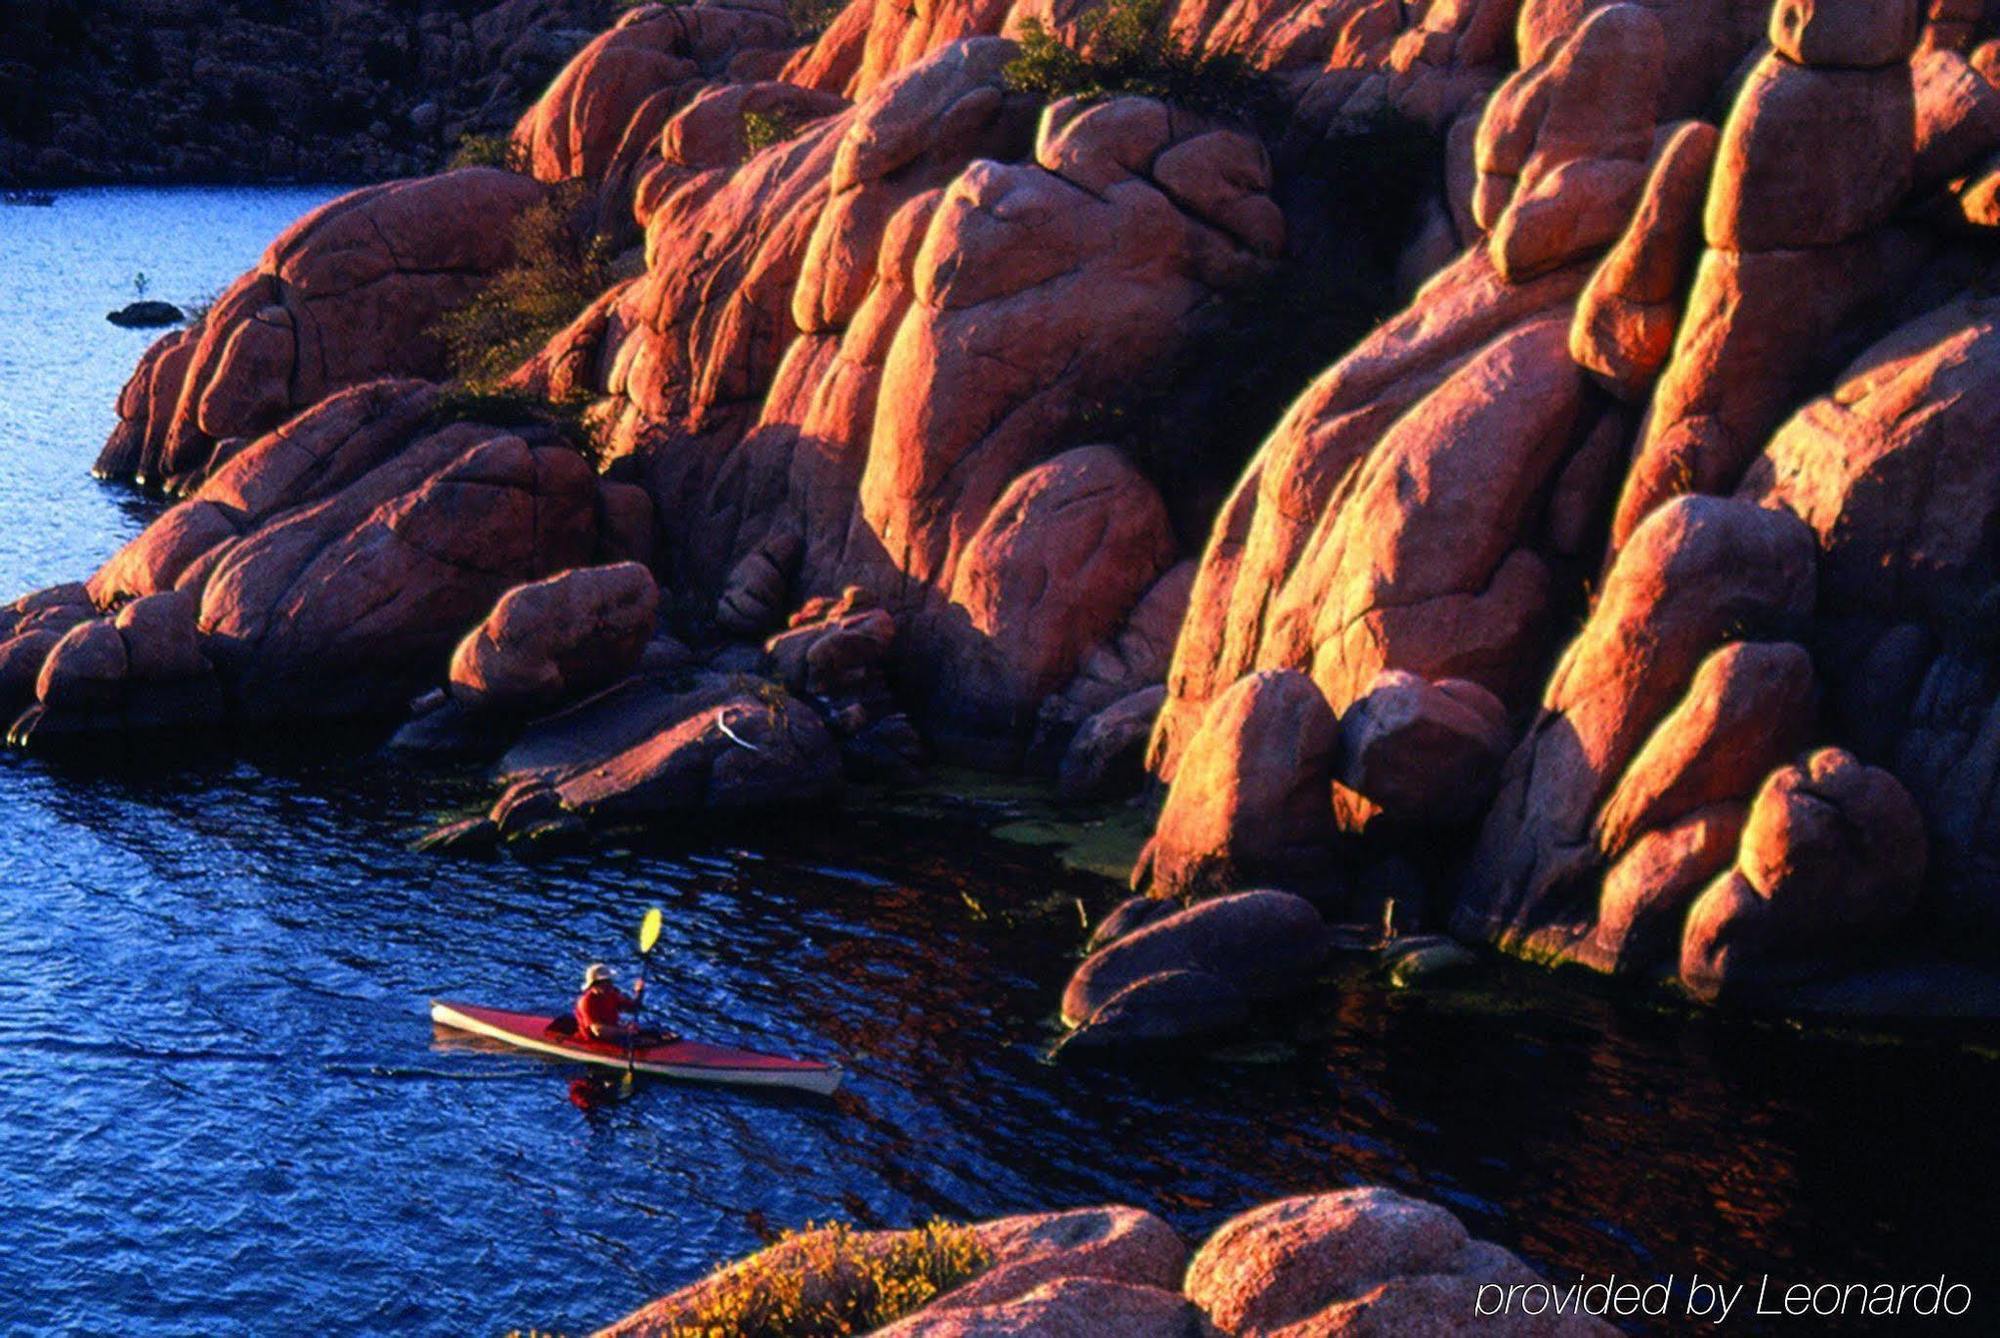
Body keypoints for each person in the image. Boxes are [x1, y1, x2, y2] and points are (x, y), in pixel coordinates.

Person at [573, 962, 645, 1042]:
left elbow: (632, 1009)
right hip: (595, 1042)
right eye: (606, 981)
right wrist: (626, 1031)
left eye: (610, 980)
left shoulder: (612, 994)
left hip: (614, 1035)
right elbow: (598, 1031)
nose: (610, 983)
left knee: (652, 1035)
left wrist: (639, 992)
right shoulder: (586, 1002)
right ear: (595, 984)